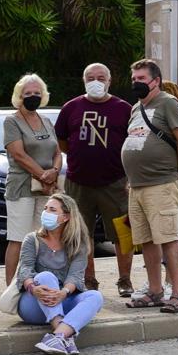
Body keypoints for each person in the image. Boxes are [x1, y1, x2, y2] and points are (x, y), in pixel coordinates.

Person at [121, 59, 178, 313]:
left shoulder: (168, 103)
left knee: (168, 237)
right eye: (134, 79)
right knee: (147, 240)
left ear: (155, 81)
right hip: (138, 186)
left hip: (161, 183)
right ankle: (154, 290)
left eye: (141, 79)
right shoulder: (135, 108)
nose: (136, 83)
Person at [54, 63, 130, 295]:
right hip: (78, 183)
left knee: (123, 234)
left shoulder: (124, 108)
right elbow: (62, 141)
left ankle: (125, 280)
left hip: (114, 182)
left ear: (110, 80)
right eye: (90, 77)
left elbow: (132, 143)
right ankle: (88, 280)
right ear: (83, 80)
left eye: (101, 77)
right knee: (80, 234)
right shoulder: (71, 107)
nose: (96, 81)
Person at [13, 193, 106, 355]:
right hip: (34, 301)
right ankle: (63, 333)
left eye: (52, 210)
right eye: (45, 209)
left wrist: (63, 293)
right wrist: (33, 288)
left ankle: (58, 337)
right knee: (46, 276)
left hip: (63, 299)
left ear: (66, 217)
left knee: (95, 296)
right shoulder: (32, 239)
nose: (46, 213)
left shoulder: (78, 243)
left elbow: (76, 276)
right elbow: (25, 269)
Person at [2, 74, 62, 285]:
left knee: (42, 238)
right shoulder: (12, 121)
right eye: (28, 93)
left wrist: (54, 170)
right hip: (22, 187)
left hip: (46, 190)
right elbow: (18, 154)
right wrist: (43, 174)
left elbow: (57, 151)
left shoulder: (46, 120)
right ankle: (11, 287)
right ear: (20, 96)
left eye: (37, 93)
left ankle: (38, 282)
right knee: (18, 239)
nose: (33, 97)